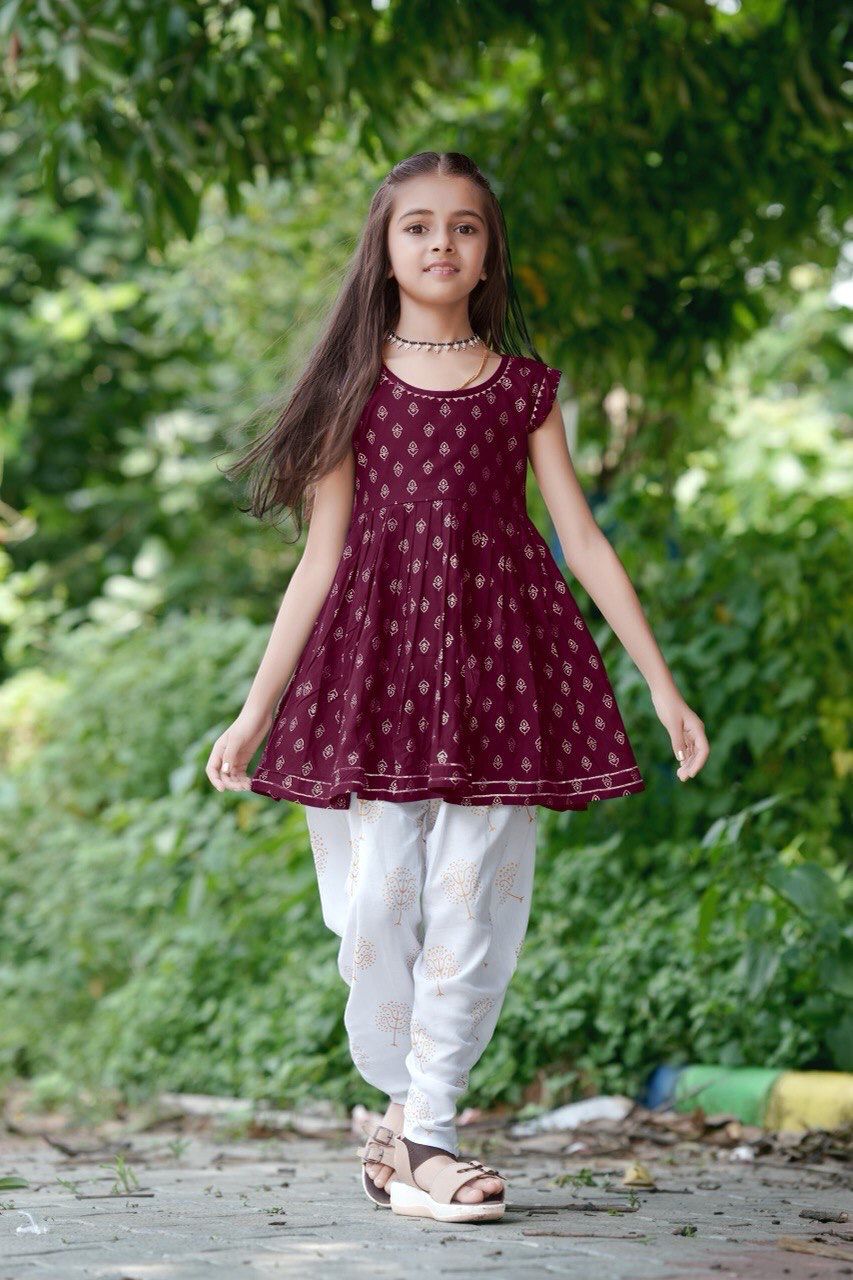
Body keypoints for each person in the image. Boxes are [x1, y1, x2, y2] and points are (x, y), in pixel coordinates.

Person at [205, 150, 709, 1222]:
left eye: (464, 226)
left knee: (476, 894)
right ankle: (401, 1115)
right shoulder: (353, 388)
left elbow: (581, 541)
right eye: (418, 225)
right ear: (385, 250)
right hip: (376, 671)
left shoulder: (522, 388)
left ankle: (428, 1130)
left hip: (502, 666)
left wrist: (661, 686)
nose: (441, 242)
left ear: (488, 255)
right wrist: (255, 711)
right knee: (379, 900)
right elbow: (320, 560)